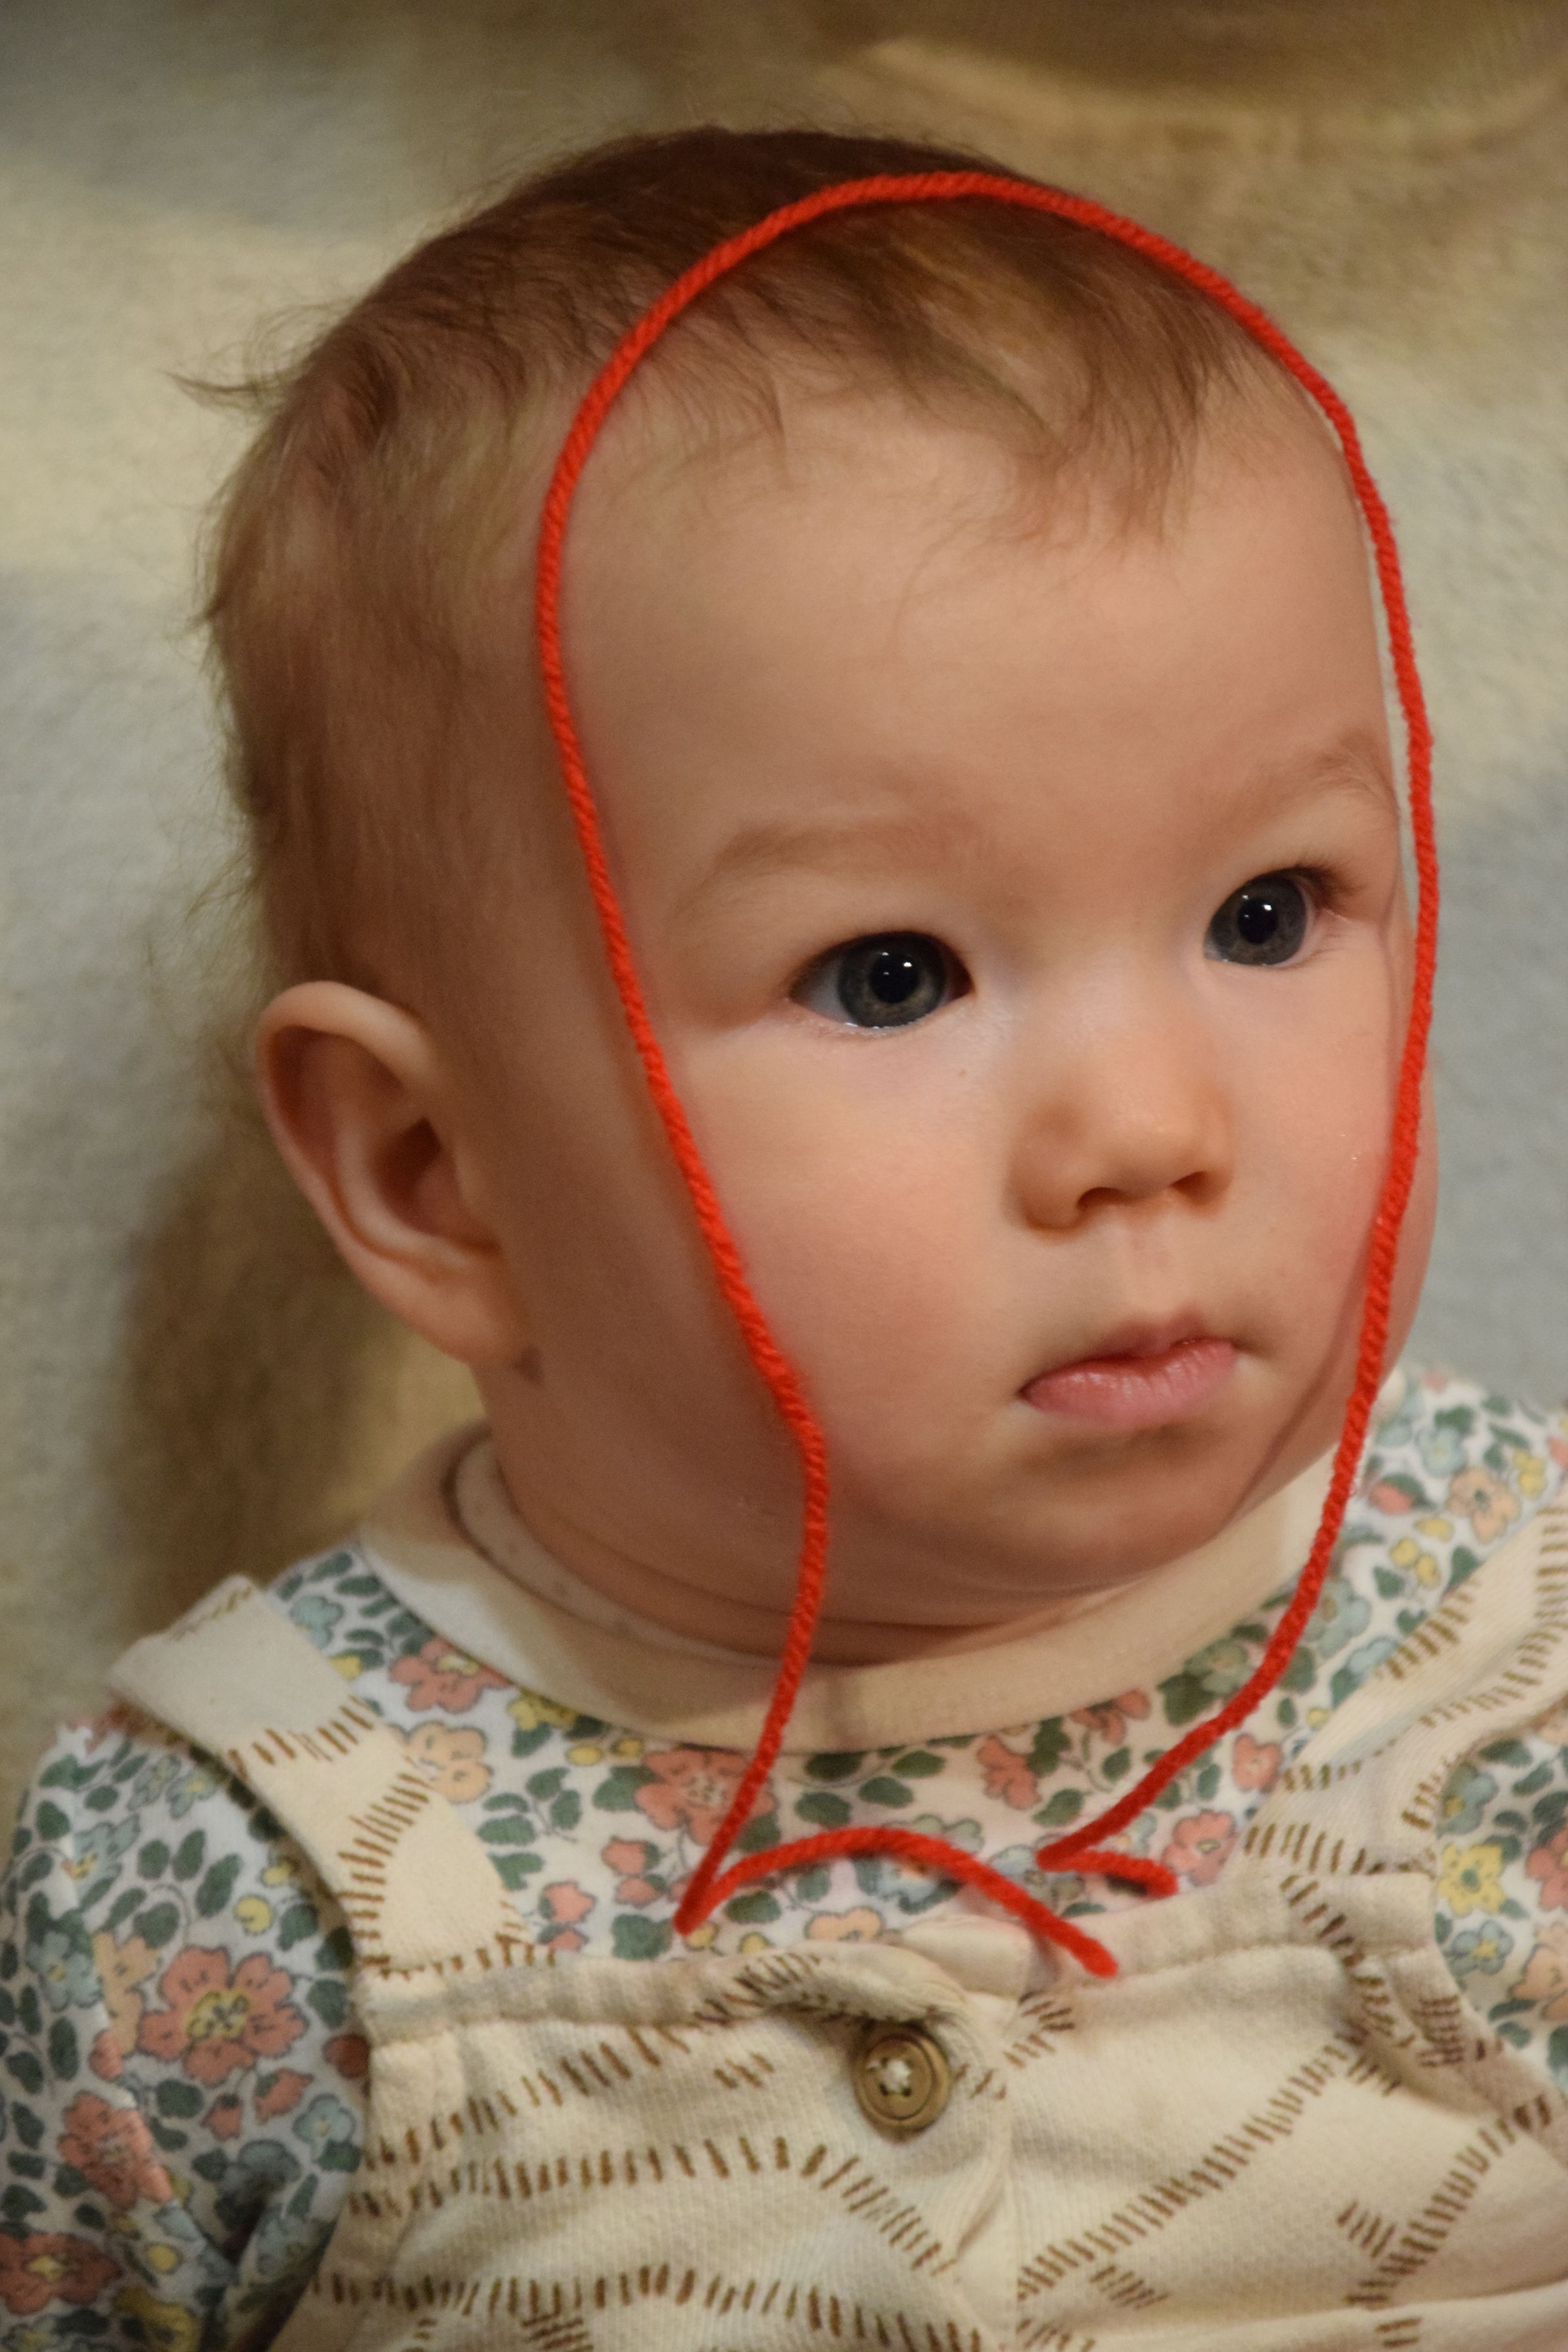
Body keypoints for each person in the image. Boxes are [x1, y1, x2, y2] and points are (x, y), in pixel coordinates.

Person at [3, 123, 1566, 2351]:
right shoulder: (236, 1889)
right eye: (891, 976)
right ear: (437, 1176)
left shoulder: (1523, 1648)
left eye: (1266, 913)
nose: (1151, 1130)